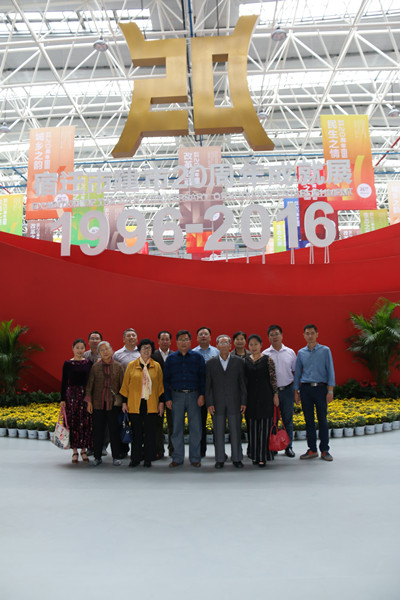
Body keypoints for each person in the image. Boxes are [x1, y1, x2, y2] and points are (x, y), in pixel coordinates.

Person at [163, 330, 206, 468]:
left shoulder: (198, 357)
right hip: (177, 396)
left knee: (196, 428)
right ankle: (177, 457)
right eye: (181, 340)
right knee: (176, 428)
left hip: (194, 395)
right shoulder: (171, 359)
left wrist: (202, 395)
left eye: (186, 339)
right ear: (176, 342)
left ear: (190, 341)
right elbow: (166, 380)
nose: (183, 342)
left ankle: (195, 458)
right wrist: (167, 398)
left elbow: (203, 378)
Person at [120, 339, 165, 468]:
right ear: (139, 350)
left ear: (152, 350)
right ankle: (135, 458)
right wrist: (124, 402)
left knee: (150, 433)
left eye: (149, 348)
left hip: (151, 404)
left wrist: (161, 403)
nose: (146, 350)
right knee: (137, 432)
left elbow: (160, 387)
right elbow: (125, 385)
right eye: (144, 348)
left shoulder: (156, 366)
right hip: (135, 404)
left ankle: (148, 459)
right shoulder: (131, 365)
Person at [294, 324, 335, 462]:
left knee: (322, 420)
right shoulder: (301, 353)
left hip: (321, 389)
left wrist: (330, 390)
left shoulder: (325, 351)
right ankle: (312, 449)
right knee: (309, 421)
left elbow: (330, 370)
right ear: (304, 335)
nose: (310, 336)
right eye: (307, 333)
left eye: (312, 333)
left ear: (317, 334)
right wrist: (296, 391)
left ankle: (325, 450)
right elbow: (297, 373)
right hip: (306, 389)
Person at [206, 335, 247, 469]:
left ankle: (237, 458)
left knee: (236, 431)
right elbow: (208, 386)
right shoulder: (210, 363)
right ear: (217, 346)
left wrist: (243, 401)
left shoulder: (238, 362)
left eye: (226, 343)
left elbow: (242, 383)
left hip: (235, 402)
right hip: (217, 403)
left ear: (230, 346)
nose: (223, 346)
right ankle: (219, 459)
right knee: (218, 432)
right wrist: (209, 403)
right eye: (221, 343)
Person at [85, 341, 125, 466]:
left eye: (106, 349)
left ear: (112, 350)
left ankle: (116, 457)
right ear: (99, 353)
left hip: (114, 404)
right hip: (98, 403)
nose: (105, 352)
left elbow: (123, 386)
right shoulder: (95, 367)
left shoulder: (118, 366)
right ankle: (97, 457)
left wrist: (124, 402)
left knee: (114, 431)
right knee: (98, 431)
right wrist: (89, 401)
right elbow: (90, 385)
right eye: (101, 350)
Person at [244, 334, 279, 467]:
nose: (253, 347)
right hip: (251, 397)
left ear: (261, 345)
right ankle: (254, 455)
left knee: (265, 428)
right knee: (252, 428)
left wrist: (275, 395)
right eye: (251, 344)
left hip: (266, 396)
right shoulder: (245, 361)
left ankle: (263, 456)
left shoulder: (268, 360)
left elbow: (273, 379)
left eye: (256, 344)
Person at [263, 325, 297, 457]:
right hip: (271, 393)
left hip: (287, 391)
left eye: (277, 334)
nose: (274, 337)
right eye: (271, 335)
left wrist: (296, 391)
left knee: (288, 420)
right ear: (268, 338)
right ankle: (274, 446)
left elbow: (294, 372)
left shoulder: (290, 352)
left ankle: (289, 447)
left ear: (282, 335)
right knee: (273, 421)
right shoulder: (265, 354)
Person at [60, 338, 92, 464]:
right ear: (73, 348)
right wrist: (62, 399)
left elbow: (91, 381)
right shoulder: (67, 364)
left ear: (85, 349)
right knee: (72, 422)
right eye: (77, 348)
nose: (79, 350)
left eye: (82, 348)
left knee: (85, 422)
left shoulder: (88, 363)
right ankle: (74, 451)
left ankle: (83, 450)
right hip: (71, 397)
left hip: (85, 396)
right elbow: (64, 382)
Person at [193, 327, 219, 457]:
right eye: (201, 334)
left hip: (215, 393)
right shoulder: (193, 353)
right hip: (199, 393)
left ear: (210, 337)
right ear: (197, 338)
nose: (203, 336)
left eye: (206, 334)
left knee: (218, 424)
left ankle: (219, 452)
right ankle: (201, 451)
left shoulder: (217, 352)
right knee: (200, 423)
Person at [152, 330, 173, 459]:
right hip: (156, 394)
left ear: (170, 341)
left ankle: (173, 450)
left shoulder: (175, 355)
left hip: (171, 395)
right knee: (157, 424)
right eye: (162, 339)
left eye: (167, 339)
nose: (165, 341)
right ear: (158, 341)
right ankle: (159, 450)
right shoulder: (152, 355)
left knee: (172, 424)